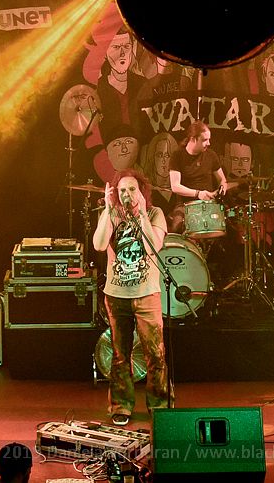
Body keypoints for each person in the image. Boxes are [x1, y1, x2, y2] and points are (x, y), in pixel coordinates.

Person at [92, 168, 171, 425]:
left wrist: (142, 214)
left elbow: (152, 248)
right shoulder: (112, 213)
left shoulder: (155, 213)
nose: (127, 194)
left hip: (147, 293)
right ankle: (121, 406)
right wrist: (107, 208)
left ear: (142, 191)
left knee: (155, 353)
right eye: (122, 190)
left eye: (132, 189)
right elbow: (99, 244)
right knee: (120, 354)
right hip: (117, 295)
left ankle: (159, 405)